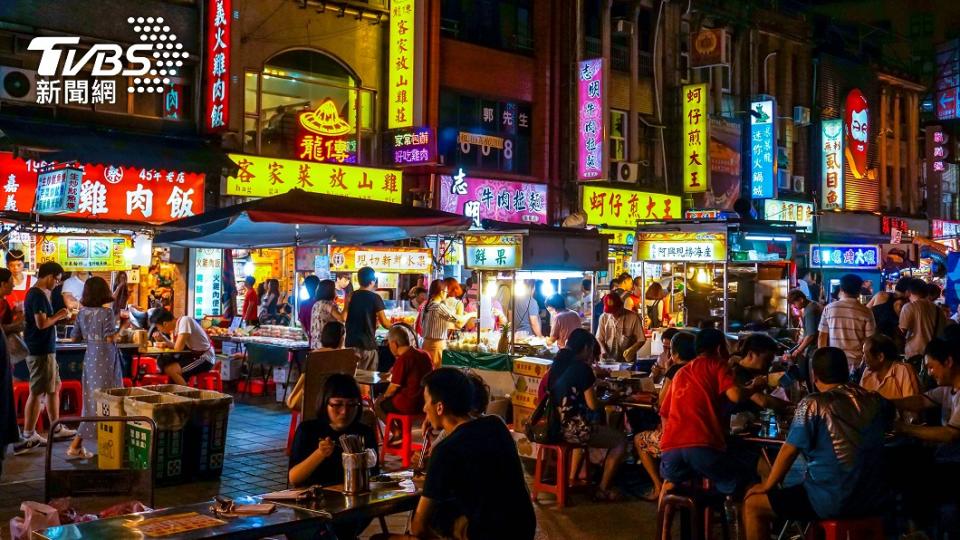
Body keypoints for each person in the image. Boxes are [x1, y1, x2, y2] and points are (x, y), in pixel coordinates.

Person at [743, 347, 895, 540]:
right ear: (846, 371)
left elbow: (789, 450)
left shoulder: (813, 403)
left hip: (831, 500)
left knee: (753, 504)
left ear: (814, 375)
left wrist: (768, 485)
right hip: (873, 498)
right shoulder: (874, 400)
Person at [401, 368, 535, 540]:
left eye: (426, 401)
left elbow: (418, 527)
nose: (424, 408)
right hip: (523, 528)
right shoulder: (496, 425)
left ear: (440, 407)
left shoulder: (445, 449)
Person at [658, 328, 766, 496]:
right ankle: (734, 515)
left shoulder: (681, 372)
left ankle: (682, 507)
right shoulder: (717, 364)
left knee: (679, 480)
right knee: (745, 477)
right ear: (718, 349)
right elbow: (736, 396)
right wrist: (754, 387)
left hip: (670, 454)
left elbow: (664, 412)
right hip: (702, 447)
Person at [546, 328, 626, 500]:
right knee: (620, 440)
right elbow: (593, 404)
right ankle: (603, 489)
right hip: (575, 430)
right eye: (590, 349)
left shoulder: (559, 364)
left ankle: (572, 478)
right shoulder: (582, 368)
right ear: (584, 348)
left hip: (555, 426)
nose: (591, 354)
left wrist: (600, 382)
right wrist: (610, 398)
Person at [65, 277, 129, 460]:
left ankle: (83, 445)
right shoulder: (106, 313)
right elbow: (111, 338)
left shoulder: (82, 313)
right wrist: (123, 327)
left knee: (92, 400)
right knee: (108, 399)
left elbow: (74, 338)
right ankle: (80, 444)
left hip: (91, 358)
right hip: (106, 359)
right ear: (103, 293)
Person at [15, 262, 74, 453]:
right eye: (56, 280)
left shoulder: (39, 294)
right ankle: (28, 434)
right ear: (49, 276)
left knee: (54, 387)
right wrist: (60, 315)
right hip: (40, 350)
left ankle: (55, 427)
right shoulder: (37, 295)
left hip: (45, 349)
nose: (56, 284)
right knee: (38, 391)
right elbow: (42, 324)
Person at [635, 330, 697, 501]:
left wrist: (668, 371)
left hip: (675, 439)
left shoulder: (675, 371)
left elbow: (662, 404)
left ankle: (657, 486)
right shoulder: (699, 370)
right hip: (698, 437)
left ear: (674, 353)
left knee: (639, 439)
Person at [818, 273, 876, 373]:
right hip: (857, 364)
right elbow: (870, 341)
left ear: (841, 289)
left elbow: (822, 337)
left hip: (834, 362)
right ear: (859, 291)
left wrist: (823, 361)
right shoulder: (866, 312)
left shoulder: (829, 308)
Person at [375, 326, 433, 422]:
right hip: (424, 402)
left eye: (389, 344)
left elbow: (393, 388)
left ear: (394, 344)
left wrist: (383, 396)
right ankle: (402, 429)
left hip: (409, 404)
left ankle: (396, 431)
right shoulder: (425, 354)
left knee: (378, 404)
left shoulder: (403, 359)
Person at [148, 309, 214, 385]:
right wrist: (163, 339)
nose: (159, 330)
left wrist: (166, 342)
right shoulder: (177, 327)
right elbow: (177, 346)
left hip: (205, 358)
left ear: (165, 324)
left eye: (158, 327)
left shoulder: (185, 321)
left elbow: (178, 348)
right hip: (194, 357)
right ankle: (177, 391)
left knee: (171, 370)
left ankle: (187, 394)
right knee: (165, 364)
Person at [345, 267, 390, 371]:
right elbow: (385, 323)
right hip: (367, 345)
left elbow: (345, 317)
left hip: (351, 345)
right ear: (373, 281)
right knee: (368, 380)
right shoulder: (375, 298)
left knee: (353, 379)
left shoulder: (350, 296)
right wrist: (399, 326)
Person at [860, 333, 919, 401]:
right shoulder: (867, 373)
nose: (863, 358)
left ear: (880, 357)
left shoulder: (903, 371)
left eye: (866, 355)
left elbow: (913, 405)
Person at [784, 289, 821, 388]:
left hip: (813, 351)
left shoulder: (810, 310)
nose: (793, 306)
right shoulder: (812, 305)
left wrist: (798, 350)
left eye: (794, 303)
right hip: (815, 349)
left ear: (801, 299)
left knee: (811, 381)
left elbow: (811, 335)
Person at [900, 278, 941, 362]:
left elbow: (901, 332)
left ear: (908, 292)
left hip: (914, 355)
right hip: (934, 355)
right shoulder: (938, 310)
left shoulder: (908, 307)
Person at [420, 279, 459, 368]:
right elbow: (457, 320)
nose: (446, 293)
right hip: (436, 346)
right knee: (435, 373)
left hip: (426, 344)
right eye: (446, 291)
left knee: (427, 371)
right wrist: (471, 315)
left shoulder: (426, 305)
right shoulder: (439, 307)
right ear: (441, 292)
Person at [595, 292, 645, 362]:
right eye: (610, 311)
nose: (613, 314)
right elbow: (599, 338)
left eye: (615, 311)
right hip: (608, 360)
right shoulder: (603, 317)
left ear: (621, 306)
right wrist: (603, 350)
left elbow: (641, 339)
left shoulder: (633, 317)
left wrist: (632, 349)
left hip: (627, 361)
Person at [309, 279, 345, 350]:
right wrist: (347, 304)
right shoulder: (328, 304)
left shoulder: (316, 304)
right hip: (326, 345)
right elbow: (341, 318)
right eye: (334, 289)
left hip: (315, 344)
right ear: (330, 291)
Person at [298, 276, 320, 343]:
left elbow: (302, 322)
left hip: (312, 340)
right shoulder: (324, 302)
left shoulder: (304, 303)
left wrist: (308, 336)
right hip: (326, 342)